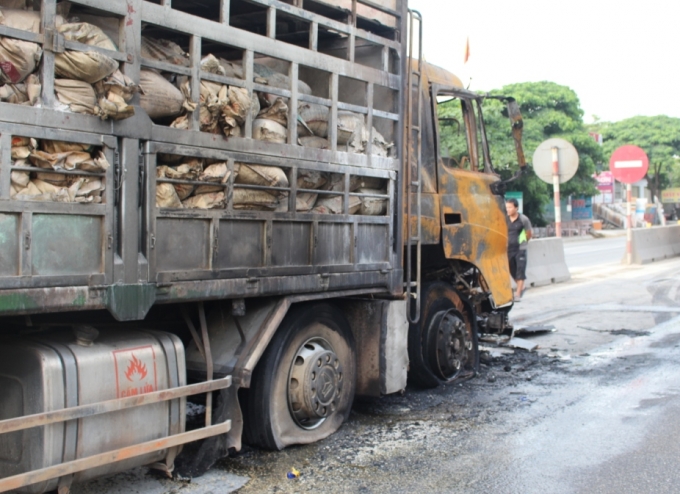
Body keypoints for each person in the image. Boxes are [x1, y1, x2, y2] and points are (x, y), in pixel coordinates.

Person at [505, 198, 532, 301]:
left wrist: (523, 242)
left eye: (510, 207)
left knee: (520, 271)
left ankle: (518, 294)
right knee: (512, 270)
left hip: (520, 249)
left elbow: (529, 233)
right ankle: (522, 287)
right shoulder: (505, 219)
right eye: (507, 207)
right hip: (509, 249)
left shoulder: (523, 219)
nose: (508, 209)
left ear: (516, 208)